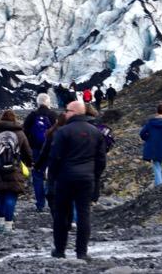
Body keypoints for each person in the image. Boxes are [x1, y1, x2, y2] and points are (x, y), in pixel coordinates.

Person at [48, 100, 108, 260]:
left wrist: (52, 178)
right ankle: (81, 252)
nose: (64, 113)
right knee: (84, 214)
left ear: (74, 112)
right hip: (86, 179)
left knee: (61, 214)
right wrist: (94, 176)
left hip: (65, 178)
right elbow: (101, 159)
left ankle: (60, 250)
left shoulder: (63, 132)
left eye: (67, 110)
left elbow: (55, 157)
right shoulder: (95, 132)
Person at [23, 93, 58, 212]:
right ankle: (51, 200)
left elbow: (24, 133)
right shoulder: (53, 115)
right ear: (48, 103)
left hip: (36, 150)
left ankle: (40, 204)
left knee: (37, 176)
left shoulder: (32, 116)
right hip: (51, 150)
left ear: (37, 103)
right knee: (52, 175)